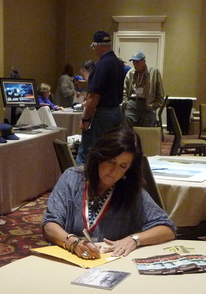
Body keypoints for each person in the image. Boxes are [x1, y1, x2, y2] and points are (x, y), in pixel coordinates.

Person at [43, 128, 175, 259]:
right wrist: (74, 244)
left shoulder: (131, 190)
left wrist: (134, 239)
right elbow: (49, 226)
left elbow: (167, 229)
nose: (114, 171)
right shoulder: (72, 178)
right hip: (69, 257)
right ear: (100, 156)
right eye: (111, 161)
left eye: (122, 166)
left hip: (109, 262)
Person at [76, 30, 126, 165]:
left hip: (102, 114)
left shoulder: (102, 65)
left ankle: (81, 184)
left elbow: (94, 96)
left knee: (88, 152)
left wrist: (86, 119)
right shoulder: (118, 64)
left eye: (93, 46)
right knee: (108, 151)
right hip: (115, 112)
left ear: (97, 45)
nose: (94, 50)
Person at [122, 51, 165, 127]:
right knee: (128, 130)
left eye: (137, 62)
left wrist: (155, 106)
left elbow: (160, 92)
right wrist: (126, 103)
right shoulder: (130, 73)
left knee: (147, 131)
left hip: (148, 105)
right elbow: (125, 90)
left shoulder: (154, 72)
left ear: (144, 61)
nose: (135, 65)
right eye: (134, 62)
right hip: (132, 103)